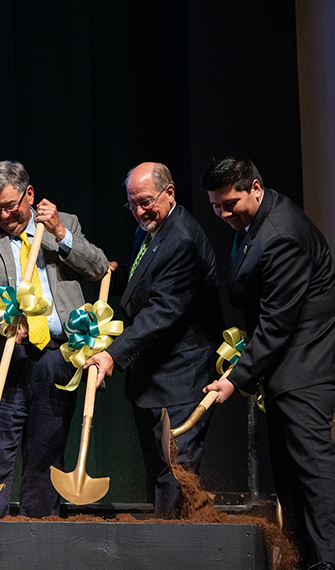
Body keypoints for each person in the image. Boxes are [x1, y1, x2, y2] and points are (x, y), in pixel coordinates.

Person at [202, 153, 335, 570]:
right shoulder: (252, 225)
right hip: (289, 354)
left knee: (310, 459)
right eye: (216, 206)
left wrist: (235, 378)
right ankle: (304, 562)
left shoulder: (282, 234)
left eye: (231, 203)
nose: (224, 214)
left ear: (256, 188)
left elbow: (280, 321)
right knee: (286, 462)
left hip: (312, 352)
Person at [0, 160, 108, 518]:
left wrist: (59, 231)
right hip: (4, 357)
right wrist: (5, 320)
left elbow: (98, 268)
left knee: (46, 457)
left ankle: (38, 543)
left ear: (29, 194)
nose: (4, 215)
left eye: (10, 206)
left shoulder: (63, 223)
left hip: (57, 357)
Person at [82, 162, 223, 518]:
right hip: (153, 375)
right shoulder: (151, 229)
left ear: (169, 193)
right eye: (132, 204)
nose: (139, 211)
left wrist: (113, 355)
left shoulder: (182, 240)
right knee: (159, 475)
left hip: (181, 377)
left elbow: (162, 312)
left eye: (145, 201)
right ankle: (163, 552)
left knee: (175, 473)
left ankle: (177, 560)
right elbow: (143, 288)